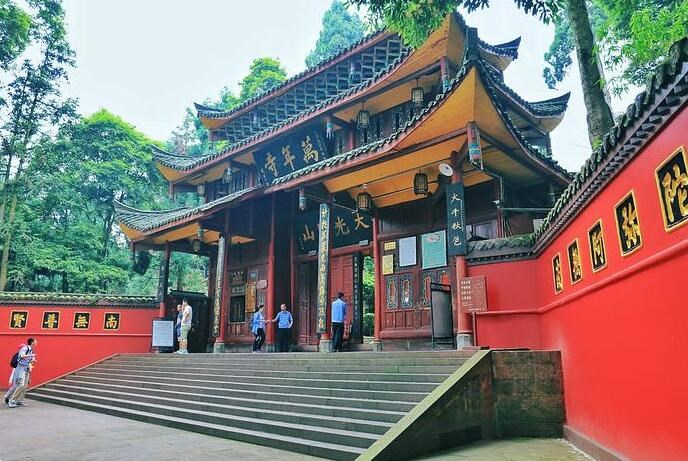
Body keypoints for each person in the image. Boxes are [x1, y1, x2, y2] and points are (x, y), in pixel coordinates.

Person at [6, 338, 37, 408]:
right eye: (35, 341)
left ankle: (19, 401)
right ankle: (12, 400)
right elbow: (22, 356)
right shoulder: (25, 348)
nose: (36, 342)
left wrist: (33, 360)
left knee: (25, 386)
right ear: (32, 342)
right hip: (21, 368)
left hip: (26, 368)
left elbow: (28, 360)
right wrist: (31, 356)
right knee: (20, 385)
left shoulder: (31, 350)